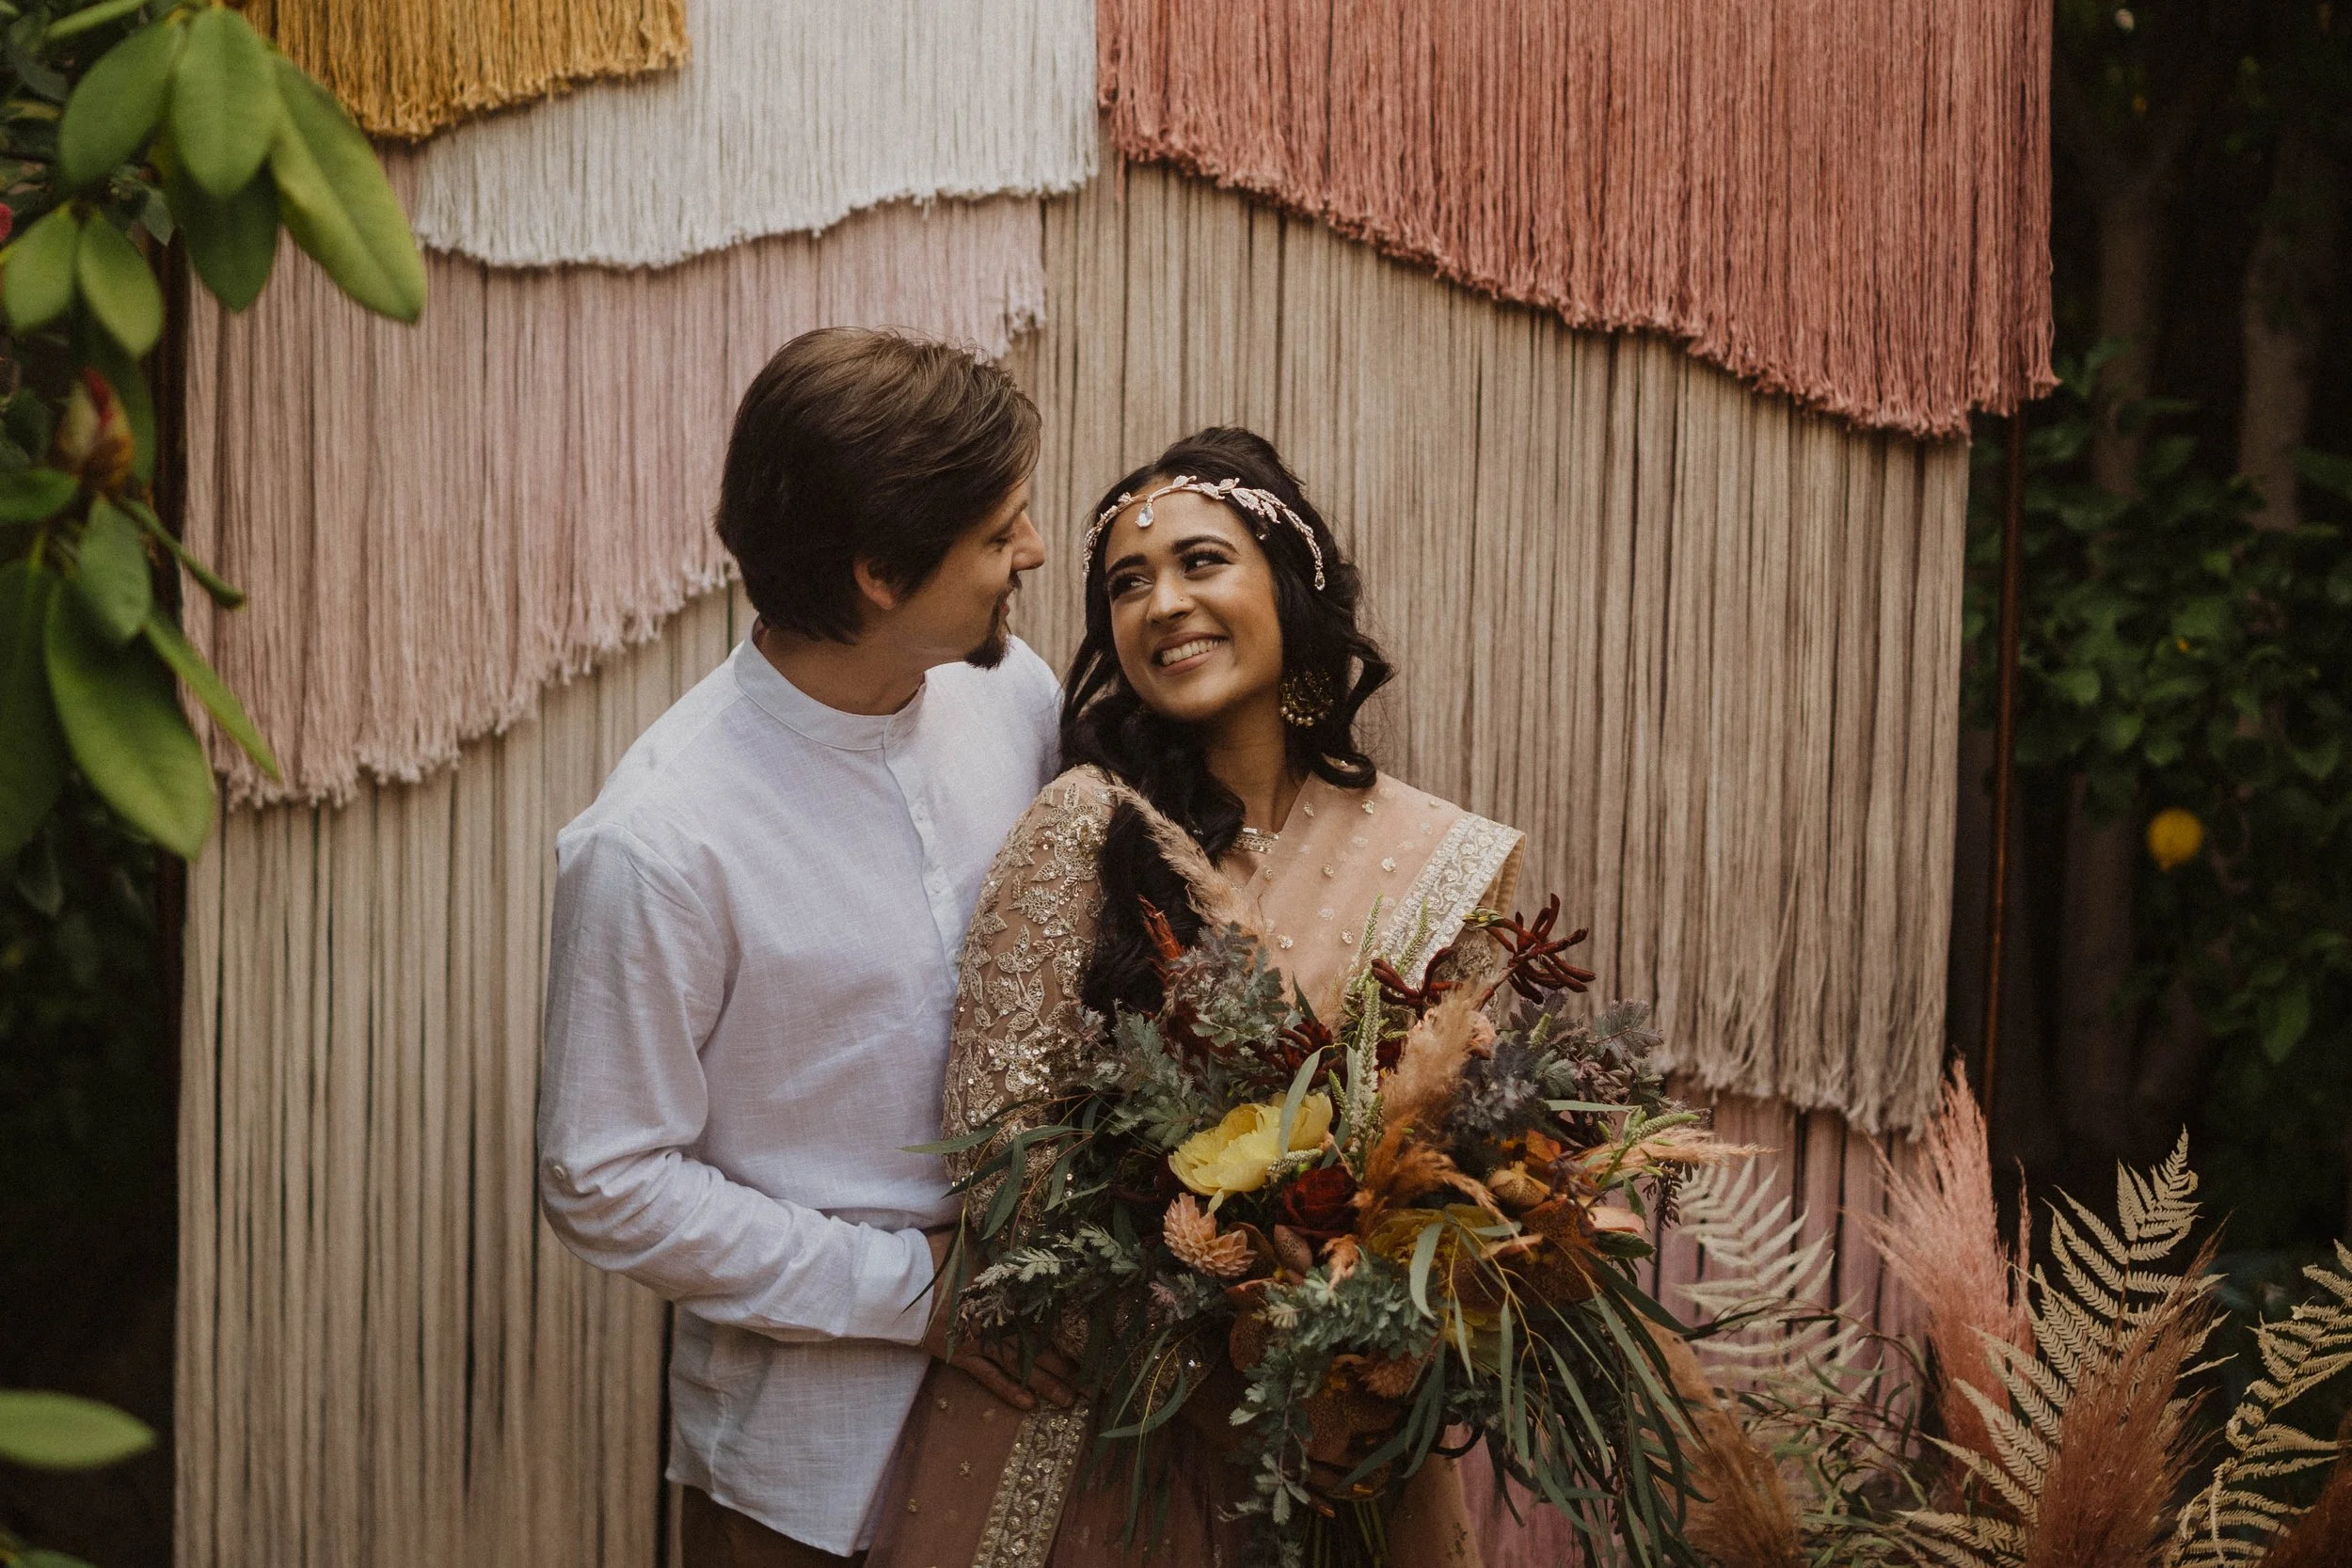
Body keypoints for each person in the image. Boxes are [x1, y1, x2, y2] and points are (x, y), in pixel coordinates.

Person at [868, 427, 1517, 1568]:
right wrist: (1230, 1373)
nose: (1163, 603)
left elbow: (1476, 1172)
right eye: (1127, 584)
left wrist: (1366, 1371)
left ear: (1290, 579)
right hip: (1107, 1431)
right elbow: (1001, 1158)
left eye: (1201, 562)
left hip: (1344, 1444)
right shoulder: (1084, 829)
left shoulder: (1435, 855)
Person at [538, 328, 1079, 1568]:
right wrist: (915, 1293)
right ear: (879, 572)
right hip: (805, 1483)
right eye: (999, 535)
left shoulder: (1014, 696)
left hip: (1056, 1435)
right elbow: (603, 1174)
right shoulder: (659, 839)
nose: (1034, 553)